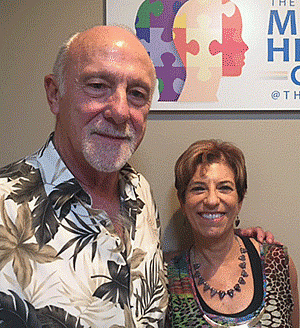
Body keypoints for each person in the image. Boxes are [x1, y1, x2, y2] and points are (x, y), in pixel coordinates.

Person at [0, 25, 274, 328]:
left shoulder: (140, 194)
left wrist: (231, 239)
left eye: (137, 94)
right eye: (97, 85)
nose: (120, 111)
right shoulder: (5, 210)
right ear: (54, 94)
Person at [167, 140, 299, 327]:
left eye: (224, 187)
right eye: (198, 188)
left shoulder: (278, 264)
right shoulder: (169, 278)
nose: (212, 200)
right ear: (182, 201)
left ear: (240, 199)